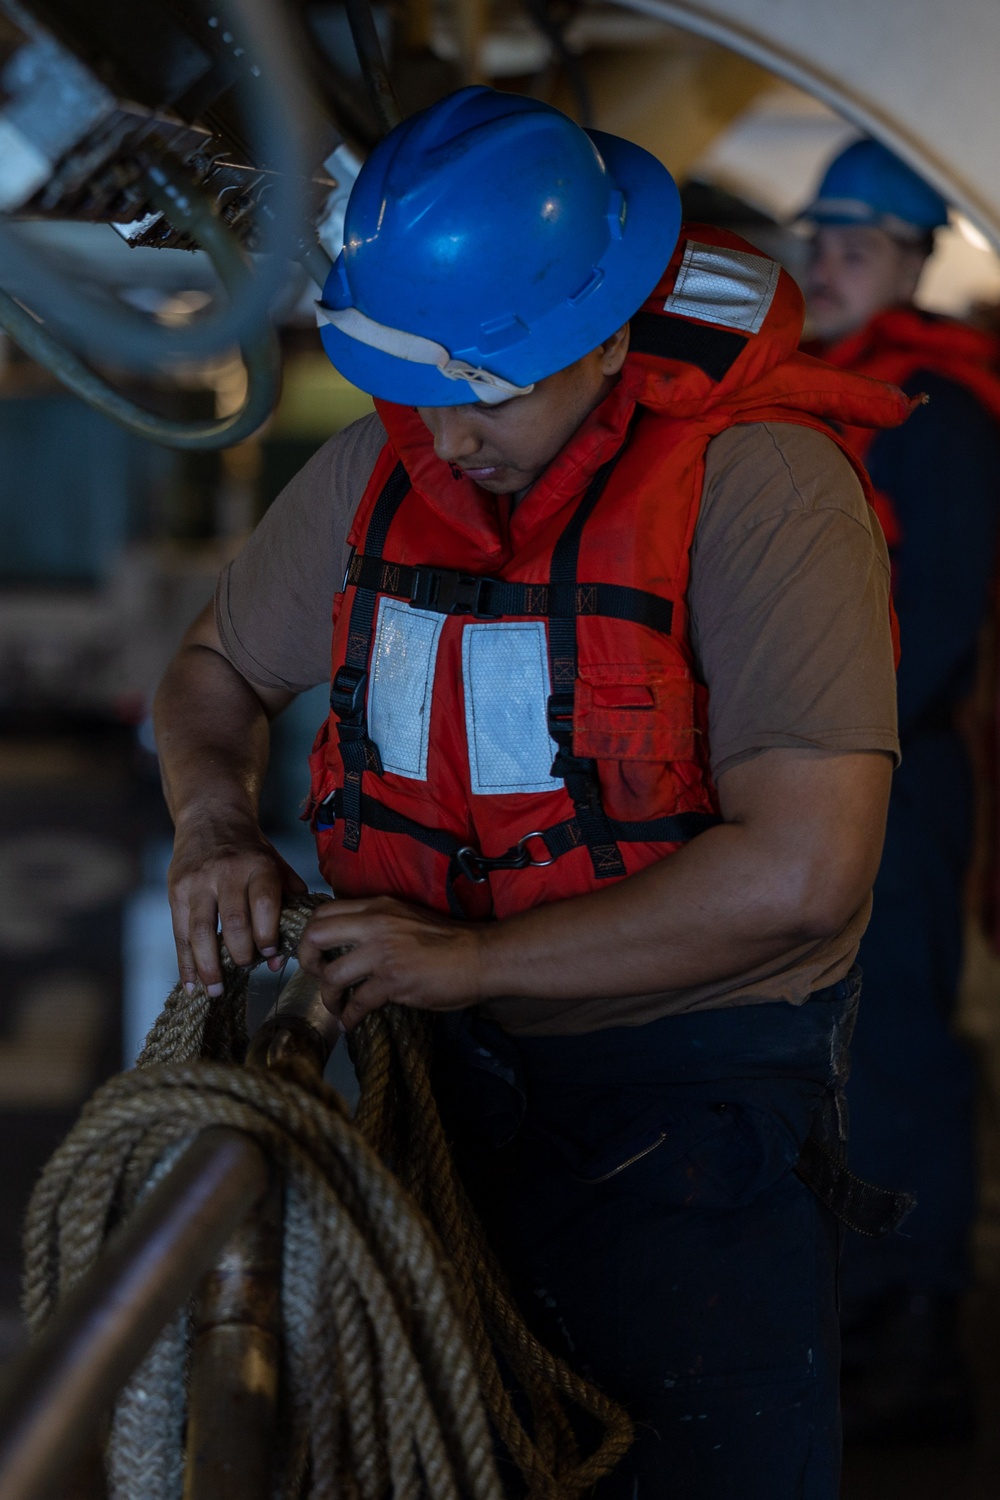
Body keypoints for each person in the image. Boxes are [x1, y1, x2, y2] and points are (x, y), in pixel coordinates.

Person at [155, 88, 911, 1497]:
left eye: (485, 390)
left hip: (680, 1138)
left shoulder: (764, 492)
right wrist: (212, 823)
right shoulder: (378, 468)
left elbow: (808, 868)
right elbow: (209, 675)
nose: (443, 440)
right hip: (424, 1099)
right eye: (419, 391)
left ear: (606, 338)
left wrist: (481, 960)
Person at [802, 137, 1000, 1442]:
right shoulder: (836, 388)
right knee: (845, 1044)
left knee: (900, 1051)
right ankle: (866, 1303)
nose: (822, 263)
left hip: (895, 766)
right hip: (833, 761)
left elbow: (938, 619)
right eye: (813, 238)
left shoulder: (939, 408)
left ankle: (917, 1328)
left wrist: (833, 752)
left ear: (917, 260)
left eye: (853, 245)